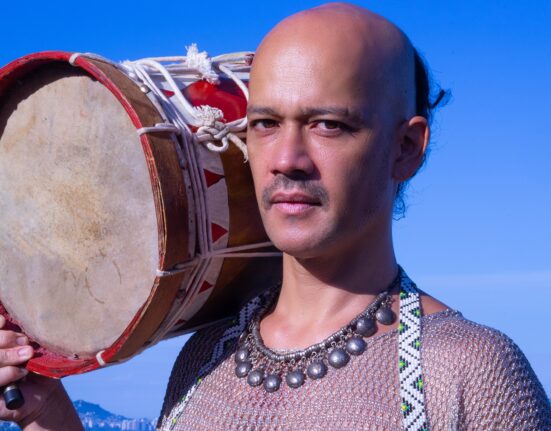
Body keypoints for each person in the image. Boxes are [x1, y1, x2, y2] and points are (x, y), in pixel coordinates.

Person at [0, 3, 549, 430]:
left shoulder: (468, 372)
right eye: (264, 124)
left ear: (405, 148)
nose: (286, 159)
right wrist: (44, 409)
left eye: (328, 125)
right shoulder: (203, 358)